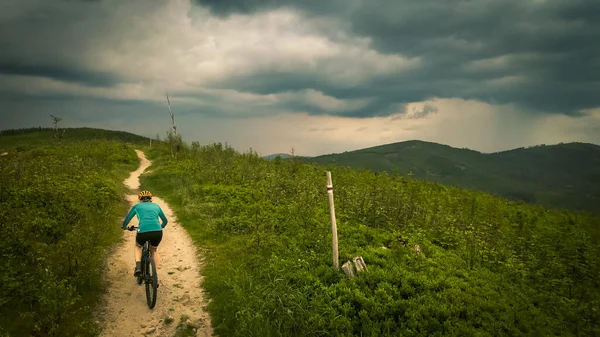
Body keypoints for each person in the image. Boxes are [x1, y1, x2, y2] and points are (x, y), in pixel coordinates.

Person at [121, 190, 168, 279]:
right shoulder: (156, 206)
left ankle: (138, 267)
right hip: (157, 231)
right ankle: (155, 276)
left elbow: (127, 219)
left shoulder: (137, 206)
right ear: (151, 199)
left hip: (142, 230)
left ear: (140, 199)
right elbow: (165, 221)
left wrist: (124, 227)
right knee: (154, 250)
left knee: (138, 246)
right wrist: (160, 226)